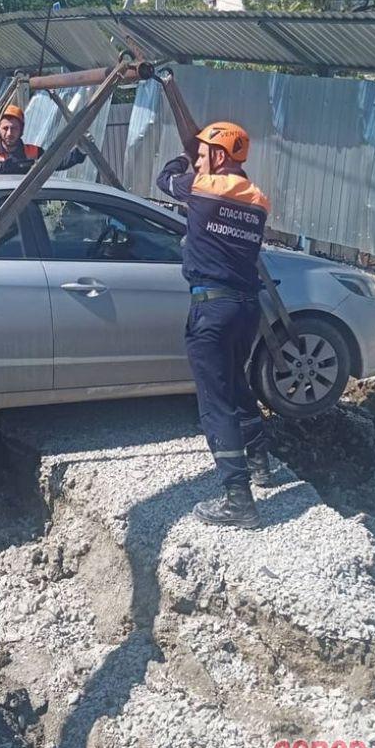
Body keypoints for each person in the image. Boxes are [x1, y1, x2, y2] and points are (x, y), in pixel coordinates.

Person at [156, 121, 276, 529]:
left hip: (212, 309)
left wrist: (184, 156)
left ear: (219, 157)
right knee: (236, 382)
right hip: (246, 308)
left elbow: (164, 179)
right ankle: (259, 461)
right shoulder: (259, 200)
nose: (199, 160)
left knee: (215, 403)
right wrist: (201, 157)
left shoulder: (203, 188)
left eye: (205, 154)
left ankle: (238, 499)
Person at [0, 103, 87, 176]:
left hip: (20, 209)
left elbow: (58, 162)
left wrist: (80, 152)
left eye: (14, 128)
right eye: (5, 128)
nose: (9, 133)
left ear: (22, 130)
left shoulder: (33, 152)